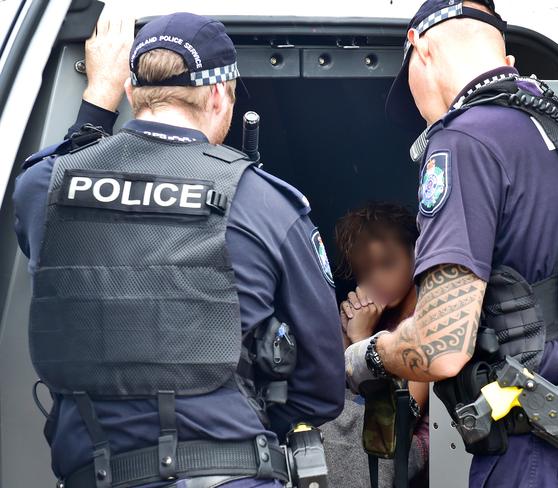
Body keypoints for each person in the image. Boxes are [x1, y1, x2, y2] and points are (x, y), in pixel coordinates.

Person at [13, 12, 344, 488]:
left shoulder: (45, 187)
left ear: (131, 93)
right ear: (217, 94)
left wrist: (96, 103)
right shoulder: (266, 203)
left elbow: (50, 200)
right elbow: (322, 387)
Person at [344, 1, 558, 487]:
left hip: (542, 452)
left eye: (413, 96)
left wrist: (366, 355)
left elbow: (442, 348)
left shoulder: (463, 139)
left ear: (419, 50)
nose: (423, 112)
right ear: (506, 61)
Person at [322, 202, 429, 487]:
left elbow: (400, 417)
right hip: (360, 432)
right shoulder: (372, 313)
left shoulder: (427, 317)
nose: (376, 279)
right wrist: (344, 333)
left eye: (388, 263)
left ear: (415, 253)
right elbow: (325, 393)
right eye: (364, 271)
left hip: (400, 443)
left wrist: (361, 341)